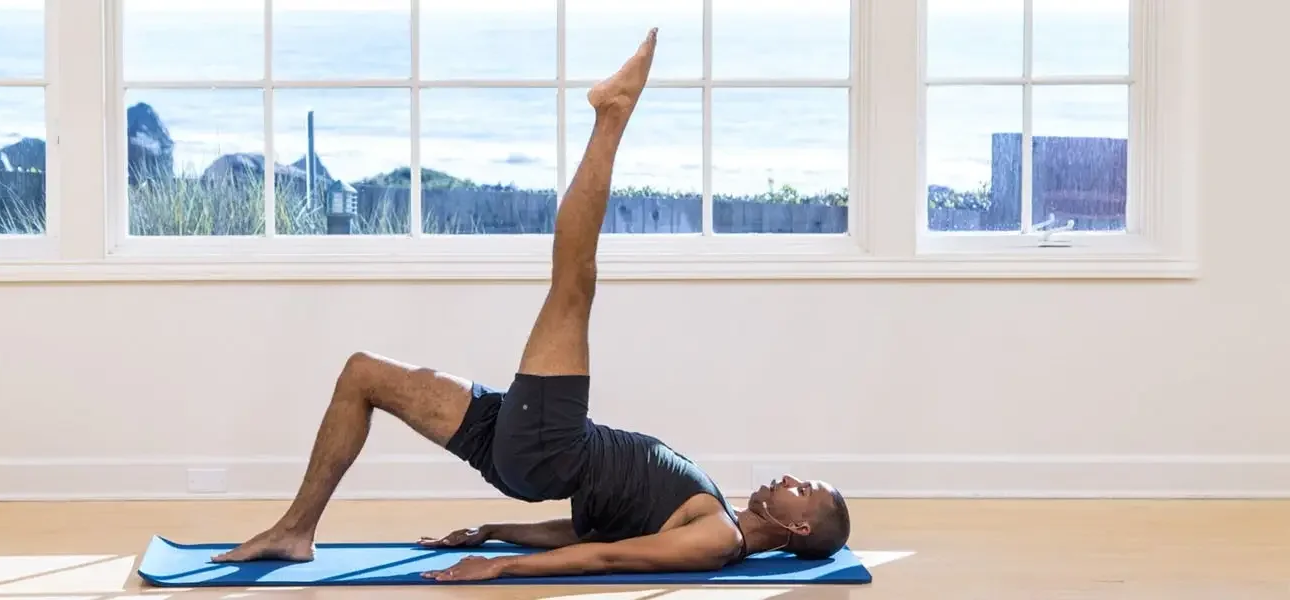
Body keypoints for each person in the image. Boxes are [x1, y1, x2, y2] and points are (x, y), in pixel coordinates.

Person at [210, 28, 851, 582]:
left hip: (552, 445)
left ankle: (612, 116)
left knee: (574, 279)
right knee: (363, 373)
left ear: (796, 526)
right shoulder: (715, 513)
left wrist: (501, 569)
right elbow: (594, 537)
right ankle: (295, 530)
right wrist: (494, 530)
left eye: (804, 490)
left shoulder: (719, 540)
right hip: (532, 447)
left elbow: (605, 563)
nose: (791, 477)